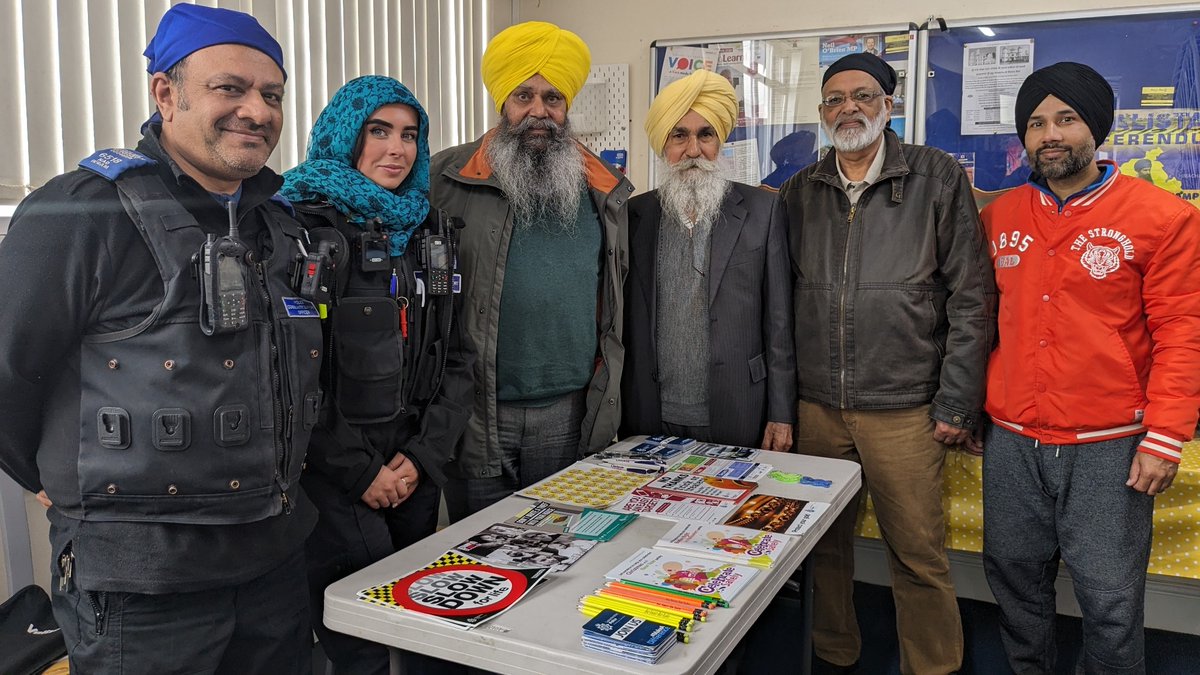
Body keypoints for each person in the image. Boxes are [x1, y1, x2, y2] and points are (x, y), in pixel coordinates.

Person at [0, 5, 321, 672]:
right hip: (144, 587)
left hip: (275, 568)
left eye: (271, 95)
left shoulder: (283, 226)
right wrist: (50, 478)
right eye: (229, 88)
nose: (256, 111)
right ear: (165, 94)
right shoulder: (83, 211)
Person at [778, 53, 995, 675]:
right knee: (822, 548)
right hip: (817, 406)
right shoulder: (801, 191)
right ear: (822, 113)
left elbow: (971, 296)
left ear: (888, 105)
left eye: (863, 95)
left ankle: (932, 665)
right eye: (834, 99)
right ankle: (833, 654)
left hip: (905, 407)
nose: (849, 107)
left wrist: (956, 401)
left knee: (918, 553)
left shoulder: (936, 177)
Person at [980, 61, 1200, 675]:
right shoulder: (999, 216)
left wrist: (1165, 437)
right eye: (1035, 123)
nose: (1050, 133)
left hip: (1111, 443)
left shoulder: (1164, 218)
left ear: (1096, 129)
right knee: (1015, 581)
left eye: (1066, 119)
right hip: (1013, 439)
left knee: (1109, 597)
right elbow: (979, 322)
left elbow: (1184, 332)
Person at [280, 75, 474, 675]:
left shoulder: (431, 233)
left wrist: (422, 457)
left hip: (415, 466)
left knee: (423, 625)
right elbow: (288, 374)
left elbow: (459, 359)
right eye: (379, 131)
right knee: (358, 641)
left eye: (410, 134)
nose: (398, 149)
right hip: (334, 474)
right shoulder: (296, 230)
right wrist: (362, 471)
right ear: (346, 136)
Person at [429, 21, 633, 520]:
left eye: (553, 98)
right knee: (480, 559)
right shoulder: (443, 178)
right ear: (503, 101)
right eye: (524, 95)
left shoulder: (605, 189)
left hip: (569, 412)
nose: (539, 111)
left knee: (561, 558)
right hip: (477, 409)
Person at [622, 69, 795, 451]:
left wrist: (781, 414)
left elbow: (779, 323)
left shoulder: (763, 209)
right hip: (650, 412)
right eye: (679, 135)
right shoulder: (634, 215)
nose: (693, 150)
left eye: (706, 135)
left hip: (740, 408)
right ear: (662, 144)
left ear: (720, 141)